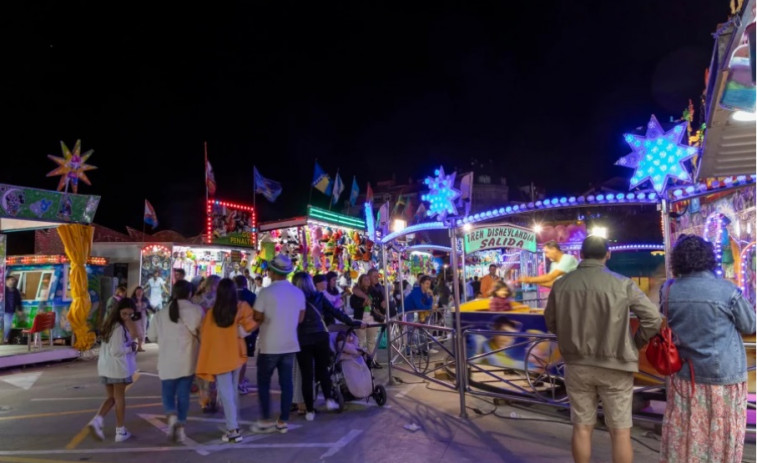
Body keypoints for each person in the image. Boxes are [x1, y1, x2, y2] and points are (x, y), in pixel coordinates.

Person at [544, 236, 661, 463]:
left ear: (580, 254)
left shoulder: (562, 284)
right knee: (620, 431)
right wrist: (634, 343)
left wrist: (570, 337)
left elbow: (551, 322)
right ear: (608, 254)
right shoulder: (623, 284)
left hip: (577, 365)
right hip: (616, 366)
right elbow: (653, 319)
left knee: (581, 427)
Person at [660, 235, 756, 463]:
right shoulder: (727, 290)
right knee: (720, 433)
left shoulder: (669, 290)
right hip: (723, 376)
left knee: (686, 432)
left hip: (685, 374)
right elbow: (750, 325)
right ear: (708, 259)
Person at [292, 272, 361, 421]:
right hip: (321, 336)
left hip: (303, 339)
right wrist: (352, 323)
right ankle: (329, 400)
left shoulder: (294, 299)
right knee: (323, 369)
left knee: (307, 375)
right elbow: (335, 311)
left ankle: (309, 410)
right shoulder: (319, 296)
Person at [195, 278, 257, 443]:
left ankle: (233, 429)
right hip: (236, 355)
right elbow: (249, 328)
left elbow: (206, 337)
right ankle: (234, 423)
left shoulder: (211, 314)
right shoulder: (241, 307)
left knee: (226, 393)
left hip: (220, 358)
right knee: (232, 391)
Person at [251, 254, 305, 434]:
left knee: (264, 382)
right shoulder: (298, 293)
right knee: (286, 383)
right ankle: (283, 420)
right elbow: (301, 318)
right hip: (290, 343)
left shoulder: (265, 293)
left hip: (269, 345)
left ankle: (265, 419)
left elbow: (257, 317)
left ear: (273, 272)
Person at [147, 280, 203, 443]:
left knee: (168, 393)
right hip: (187, 359)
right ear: (190, 294)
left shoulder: (161, 313)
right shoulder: (196, 311)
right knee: (183, 394)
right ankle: (181, 428)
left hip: (167, 360)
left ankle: (171, 417)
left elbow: (151, 336)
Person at [88, 298, 139, 443]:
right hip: (117, 368)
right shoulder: (118, 327)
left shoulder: (110, 324)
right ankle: (120, 431)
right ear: (118, 311)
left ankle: (97, 420)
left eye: (130, 314)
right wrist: (131, 347)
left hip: (106, 367)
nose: (127, 317)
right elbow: (117, 350)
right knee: (119, 398)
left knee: (111, 398)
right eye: (125, 314)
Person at [350, 275, 381, 367]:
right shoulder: (356, 293)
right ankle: (360, 360)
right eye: (365, 279)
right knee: (360, 340)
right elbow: (353, 305)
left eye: (368, 279)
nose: (368, 281)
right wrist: (363, 303)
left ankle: (372, 360)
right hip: (360, 318)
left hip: (372, 318)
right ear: (361, 281)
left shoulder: (374, 292)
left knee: (372, 340)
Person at [233, 275, 257, 395]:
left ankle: (234, 380)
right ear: (245, 283)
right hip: (246, 332)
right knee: (243, 357)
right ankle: (240, 381)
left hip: (229, 332)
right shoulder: (251, 296)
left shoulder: (228, 295)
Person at [3, 276, 22, 344]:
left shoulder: (15, 290)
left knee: (8, 325)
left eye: (14, 280)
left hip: (11, 310)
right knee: (7, 325)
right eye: (12, 280)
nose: (13, 281)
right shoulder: (3, 290)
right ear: (7, 280)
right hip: (4, 310)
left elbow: (18, 300)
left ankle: (5, 338)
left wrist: (19, 309)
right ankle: (4, 338)